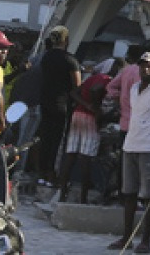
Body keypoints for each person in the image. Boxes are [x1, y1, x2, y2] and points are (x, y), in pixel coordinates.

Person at [107, 51, 150, 254]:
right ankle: (127, 237)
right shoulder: (134, 88)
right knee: (129, 194)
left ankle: (145, 240)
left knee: (148, 196)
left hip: (149, 147)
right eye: (143, 65)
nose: (145, 69)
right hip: (131, 145)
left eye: (149, 66)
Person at [55, 59, 113, 204]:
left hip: (77, 115)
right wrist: (93, 107)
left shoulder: (92, 77)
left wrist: (85, 104)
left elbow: (74, 92)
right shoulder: (107, 79)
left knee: (70, 155)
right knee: (86, 158)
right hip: (89, 118)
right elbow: (95, 90)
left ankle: (62, 194)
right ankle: (83, 198)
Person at [37, 26, 80, 187]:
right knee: (58, 140)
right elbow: (77, 86)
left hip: (45, 102)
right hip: (62, 105)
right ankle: (51, 175)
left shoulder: (46, 57)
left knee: (46, 138)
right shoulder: (70, 60)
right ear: (66, 40)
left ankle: (42, 174)